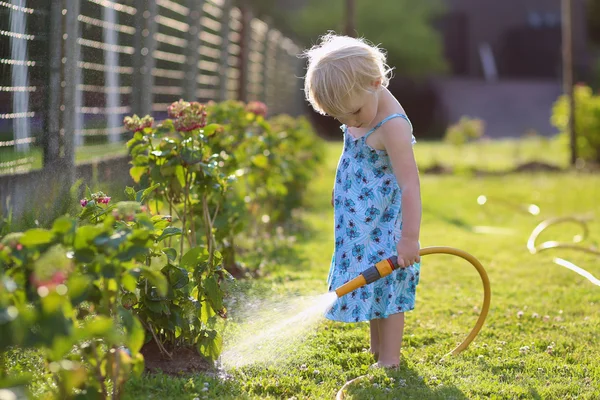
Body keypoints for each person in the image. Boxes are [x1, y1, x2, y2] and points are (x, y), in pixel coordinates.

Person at [303, 33, 422, 368]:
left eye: (353, 112)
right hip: (359, 221)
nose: (351, 122)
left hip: (384, 223)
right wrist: (340, 188)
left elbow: (410, 185)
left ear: (376, 82)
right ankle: (376, 349)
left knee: (388, 285)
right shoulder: (360, 106)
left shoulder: (392, 126)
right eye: (340, 118)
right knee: (370, 279)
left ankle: (390, 358)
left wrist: (409, 238)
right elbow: (352, 152)